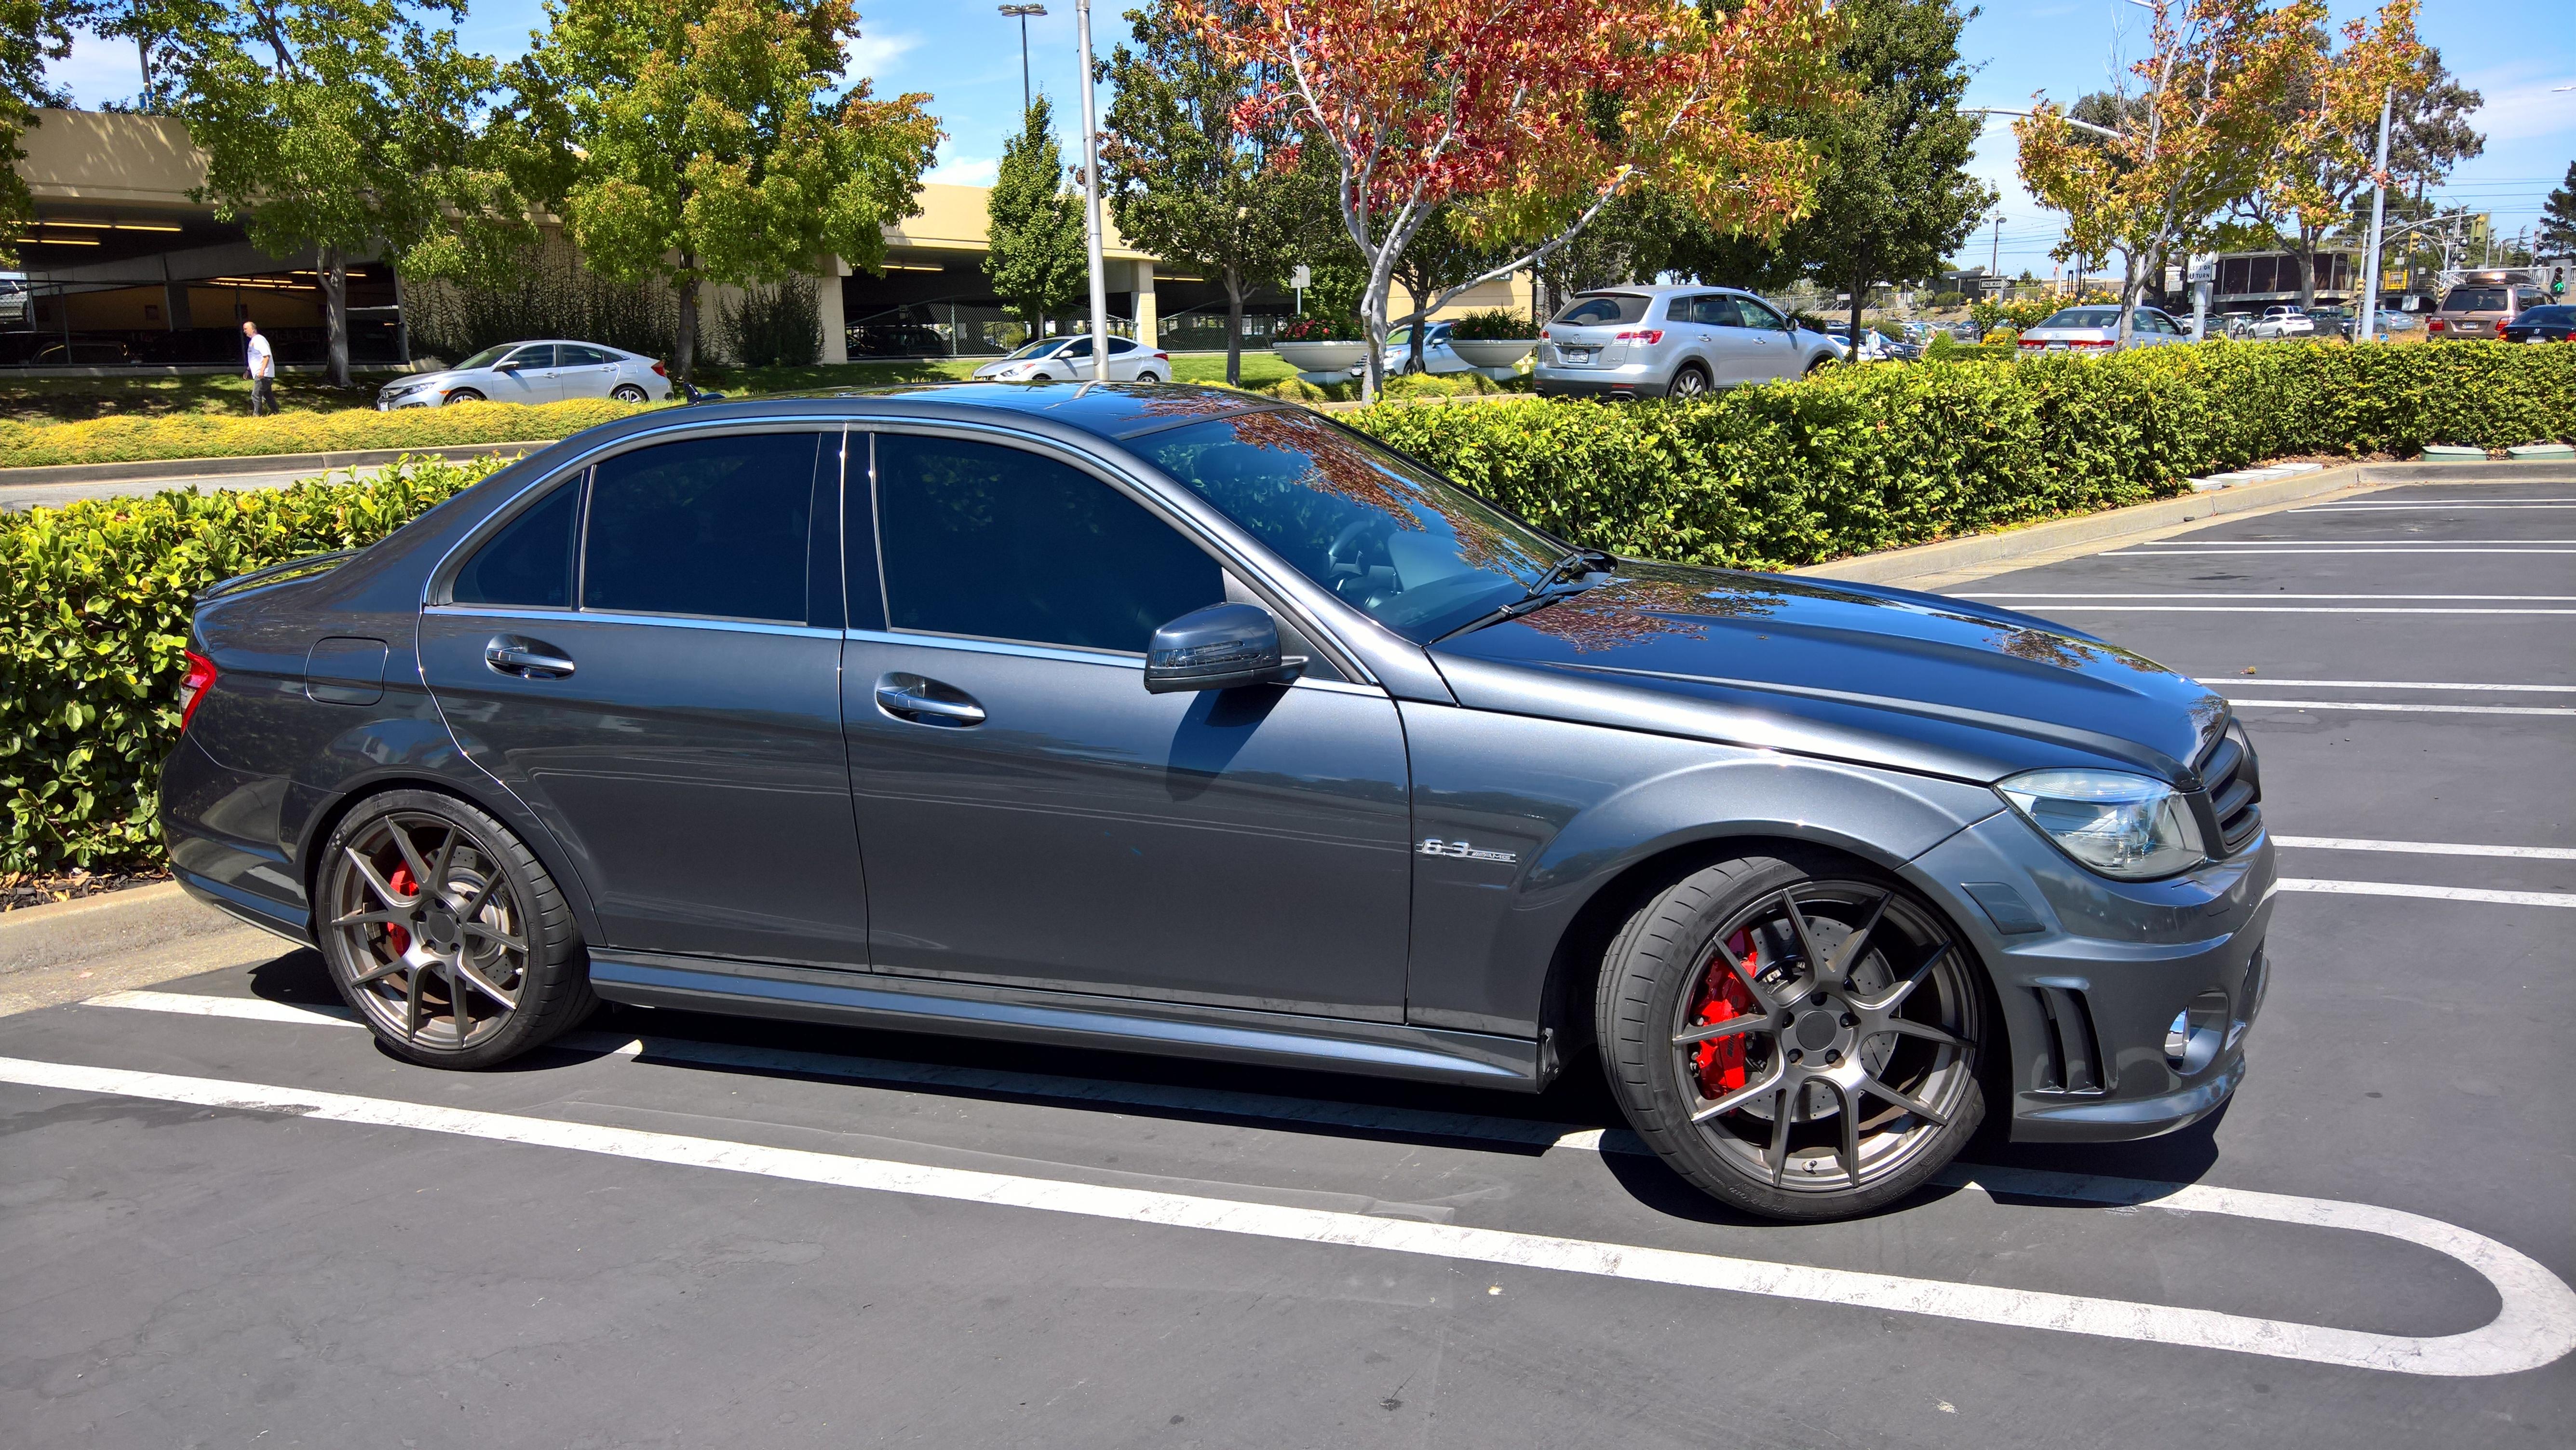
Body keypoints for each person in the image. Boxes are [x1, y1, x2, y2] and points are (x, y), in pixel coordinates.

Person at [242, 320, 274, 416]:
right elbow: (254, 359)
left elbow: (266, 356)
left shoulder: (259, 340)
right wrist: (248, 371)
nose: (244, 331)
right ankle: (276, 413)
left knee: (256, 395)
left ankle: (257, 416)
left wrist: (262, 371)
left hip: (263, 374)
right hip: (260, 374)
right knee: (268, 396)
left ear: (253, 329)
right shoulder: (253, 341)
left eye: (246, 329)